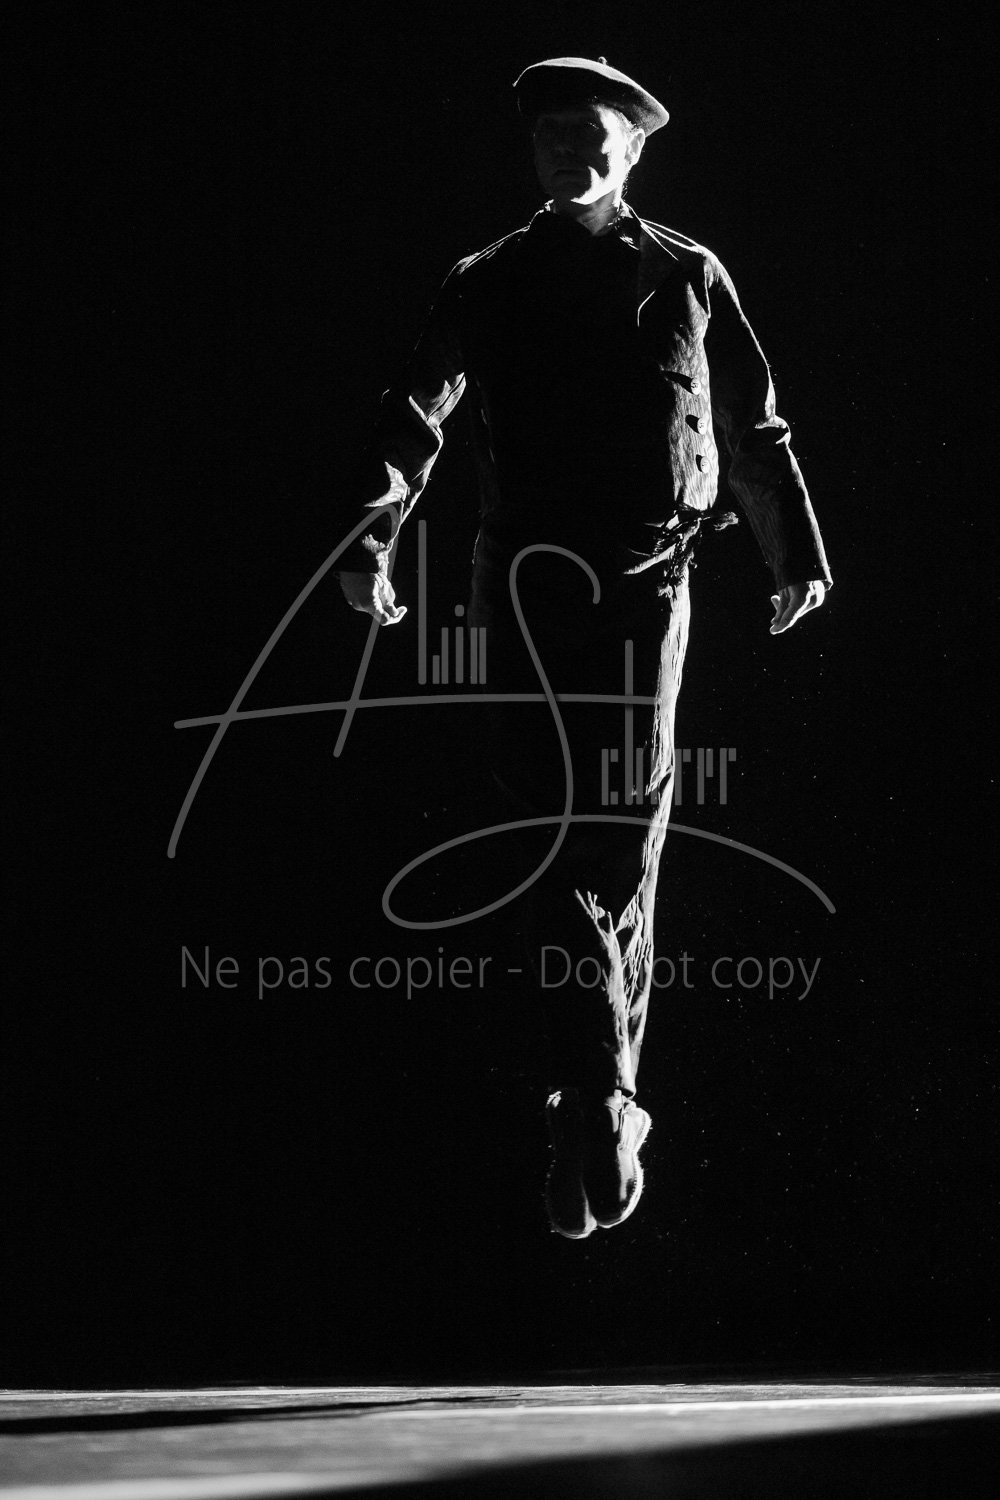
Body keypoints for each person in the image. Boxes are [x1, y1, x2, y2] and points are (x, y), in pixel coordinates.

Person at [337, 56, 831, 1238]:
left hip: (650, 583)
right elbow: (412, 416)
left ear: (634, 149)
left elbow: (750, 421)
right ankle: (603, 1095)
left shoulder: (687, 272)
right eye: (550, 135)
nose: (568, 151)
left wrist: (794, 549)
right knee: (550, 832)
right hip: (524, 583)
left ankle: (596, 1094)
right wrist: (369, 541)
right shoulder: (489, 278)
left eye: (590, 133)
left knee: (625, 834)